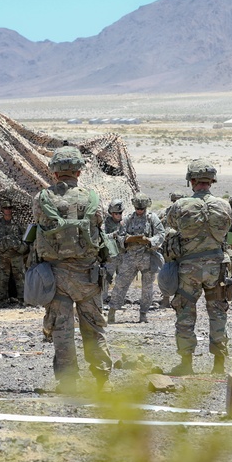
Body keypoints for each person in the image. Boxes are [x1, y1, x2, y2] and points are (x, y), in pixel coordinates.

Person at [31, 145, 112, 391]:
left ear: (54, 173)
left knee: (62, 330)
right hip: (88, 275)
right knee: (94, 327)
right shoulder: (92, 198)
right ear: (79, 172)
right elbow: (100, 225)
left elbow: (38, 225)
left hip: (55, 276)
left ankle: (68, 383)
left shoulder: (43, 198)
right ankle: (102, 382)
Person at [164, 160, 232, 375]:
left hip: (189, 268)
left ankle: (186, 363)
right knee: (218, 313)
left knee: (185, 313)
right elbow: (227, 229)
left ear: (191, 181)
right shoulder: (224, 205)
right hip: (216, 267)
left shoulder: (181, 205)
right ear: (212, 181)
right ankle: (219, 365)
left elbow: (173, 225)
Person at [107, 193, 165, 324]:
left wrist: (150, 241)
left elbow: (161, 234)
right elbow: (120, 235)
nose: (139, 211)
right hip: (130, 258)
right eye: (137, 208)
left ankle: (143, 314)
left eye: (142, 209)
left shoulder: (152, 218)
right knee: (120, 284)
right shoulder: (128, 219)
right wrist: (126, 239)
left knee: (147, 288)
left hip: (147, 257)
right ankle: (112, 312)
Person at [0, 201, 28, 304]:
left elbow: (25, 236)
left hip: (16, 254)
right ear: (2, 210)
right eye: (6, 208)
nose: (8, 210)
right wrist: (3, 240)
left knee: (20, 277)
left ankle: (22, 298)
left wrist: (13, 240)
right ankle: (3, 299)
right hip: (3, 255)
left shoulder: (18, 223)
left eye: (10, 208)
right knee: (2, 278)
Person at [102, 200, 124, 291]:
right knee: (106, 277)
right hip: (111, 256)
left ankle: (118, 298)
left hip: (122, 254)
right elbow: (102, 236)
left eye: (120, 213)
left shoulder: (125, 222)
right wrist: (112, 235)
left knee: (122, 279)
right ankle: (103, 298)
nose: (119, 215)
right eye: (116, 213)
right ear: (111, 213)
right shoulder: (106, 223)